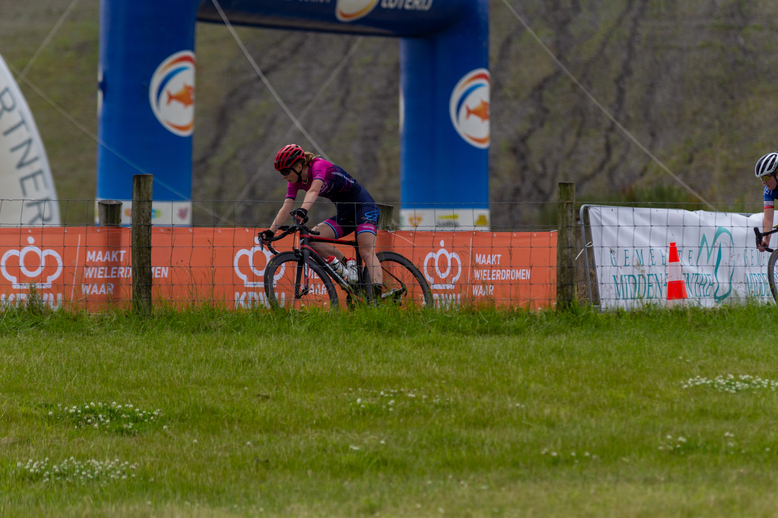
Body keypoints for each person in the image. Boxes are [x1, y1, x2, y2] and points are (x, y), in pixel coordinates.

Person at [261, 144, 384, 300]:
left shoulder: (318, 165)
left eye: (285, 171)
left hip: (364, 207)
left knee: (366, 251)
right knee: (312, 240)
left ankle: (378, 301)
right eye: (281, 173)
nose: (283, 176)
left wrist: (303, 210)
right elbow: (286, 207)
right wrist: (271, 231)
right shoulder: (295, 181)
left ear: (299, 166)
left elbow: (314, 190)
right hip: (345, 214)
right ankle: (350, 269)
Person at [757, 152, 778, 251]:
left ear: (777, 174)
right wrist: (766, 240)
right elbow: (768, 219)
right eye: (762, 178)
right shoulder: (768, 191)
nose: (763, 182)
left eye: (765, 177)